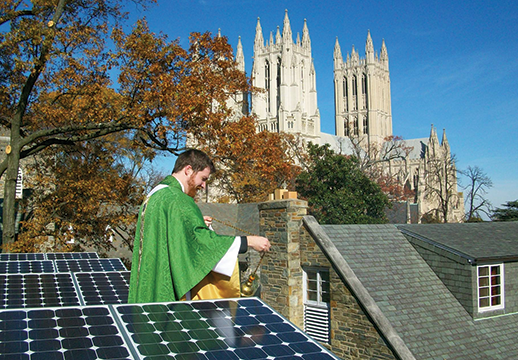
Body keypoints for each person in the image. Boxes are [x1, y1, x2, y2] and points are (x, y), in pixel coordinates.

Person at [128, 149, 271, 303]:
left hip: (150, 282)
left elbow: (169, 234)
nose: (203, 186)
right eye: (203, 178)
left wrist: (191, 223)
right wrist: (248, 241)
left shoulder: (158, 194)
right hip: (165, 292)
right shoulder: (178, 200)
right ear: (188, 170)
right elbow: (201, 244)